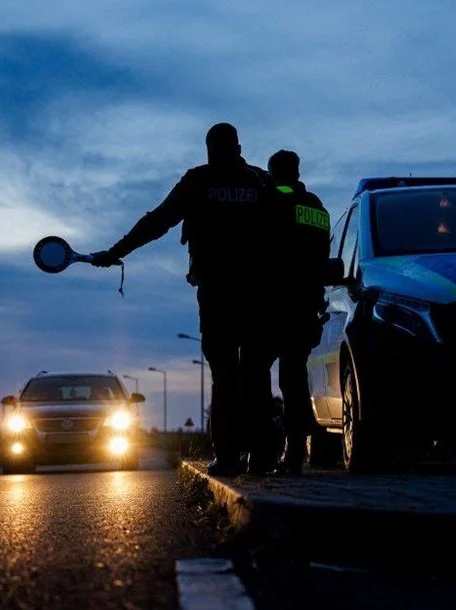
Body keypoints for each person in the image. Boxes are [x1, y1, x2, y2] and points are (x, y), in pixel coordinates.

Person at [90, 123, 276, 477]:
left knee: (225, 376)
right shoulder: (261, 182)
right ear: (238, 147)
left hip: (219, 292)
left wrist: (116, 251)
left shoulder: (198, 181)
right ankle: (261, 456)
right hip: (258, 294)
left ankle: (230, 456)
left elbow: (157, 221)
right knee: (255, 375)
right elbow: (286, 233)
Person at [263, 150, 330, 475]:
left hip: (271, 303)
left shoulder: (268, 202)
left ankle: (263, 451)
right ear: (298, 170)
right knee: (294, 378)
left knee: (259, 375)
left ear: (273, 172)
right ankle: (294, 452)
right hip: (305, 304)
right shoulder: (315, 207)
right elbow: (321, 255)